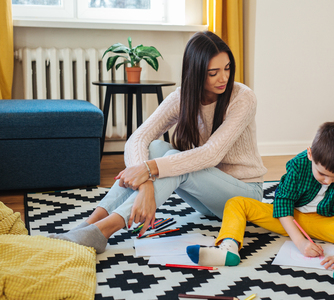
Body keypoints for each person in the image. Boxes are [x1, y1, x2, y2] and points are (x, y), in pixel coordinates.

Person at [48, 31, 267, 254]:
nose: (224, 78)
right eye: (213, 72)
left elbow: (211, 154)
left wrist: (149, 170)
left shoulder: (242, 98)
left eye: (227, 68)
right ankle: (89, 224)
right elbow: (138, 138)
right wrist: (145, 186)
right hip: (207, 199)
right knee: (154, 148)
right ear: (197, 72)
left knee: (171, 160)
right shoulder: (182, 98)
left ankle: (103, 231)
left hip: (244, 197)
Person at [186, 122, 334, 293]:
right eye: (322, 174)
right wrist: (300, 243)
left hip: (330, 223)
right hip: (290, 219)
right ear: (310, 154)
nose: (328, 181)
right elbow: (283, 203)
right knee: (236, 203)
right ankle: (228, 248)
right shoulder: (298, 164)